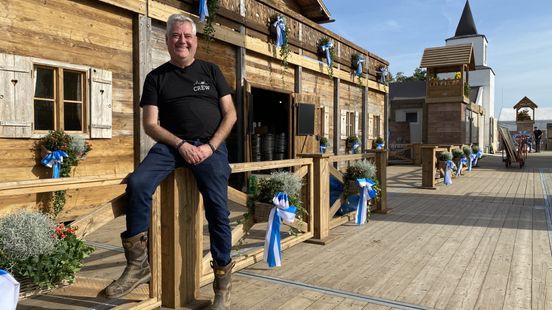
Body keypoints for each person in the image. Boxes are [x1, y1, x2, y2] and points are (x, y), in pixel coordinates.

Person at [104, 14, 237, 309]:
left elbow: (231, 115)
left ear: (196, 40)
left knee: (218, 210)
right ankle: (138, 266)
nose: (182, 41)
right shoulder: (156, 77)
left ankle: (222, 283)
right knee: (138, 183)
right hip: (171, 146)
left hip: (210, 148)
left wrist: (211, 146)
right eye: (176, 36)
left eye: (187, 36)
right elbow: (150, 124)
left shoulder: (212, 71)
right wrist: (180, 144)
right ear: (166, 41)